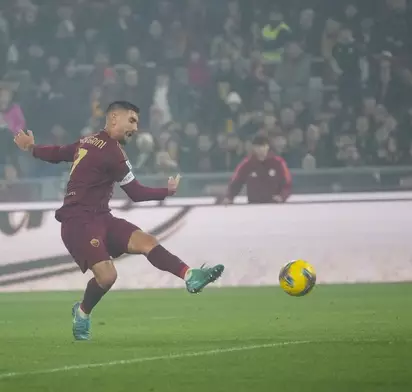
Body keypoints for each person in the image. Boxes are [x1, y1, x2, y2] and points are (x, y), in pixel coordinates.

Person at [13, 101, 224, 341]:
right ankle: (82, 313)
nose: (135, 128)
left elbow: (58, 153)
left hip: (101, 217)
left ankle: (189, 275)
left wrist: (32, 148)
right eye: (132, 120)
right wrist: (166, 191)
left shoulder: (87, 141)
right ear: (114, 118)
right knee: (108, 277)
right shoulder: (113, 152)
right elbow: (136, 193)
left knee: (146, 241)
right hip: (78, 221)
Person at [222, 134, 292, 204]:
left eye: (263, 146)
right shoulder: (247, 164)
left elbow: (287, 184)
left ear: (268, 147)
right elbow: (236, 183)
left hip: (275, 205)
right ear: (254, 148)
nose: (261, 149)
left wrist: (282, 196)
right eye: (258, 146)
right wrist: (229, 197)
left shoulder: (278, 163)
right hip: (254, 206)